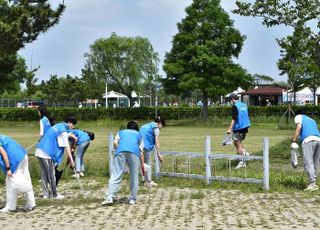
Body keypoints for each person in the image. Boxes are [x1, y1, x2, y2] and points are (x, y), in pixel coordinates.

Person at [101, 120, 144, 205]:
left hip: (120, 151)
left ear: (127, 127)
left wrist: (120, 150)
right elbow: (141, 149)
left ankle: (109, 196)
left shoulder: (121, 132)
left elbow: (115, 143)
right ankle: (133, 199)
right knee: (134, 175)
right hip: (134, 153)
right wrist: (141, 163)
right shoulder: (139, 134)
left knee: (116, 174)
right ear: (137, 128)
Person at [35, 115, 76, 199]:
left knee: (44, 175)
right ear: (69, 123)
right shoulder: (62, 130)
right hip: (47, 153)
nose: (73, 126)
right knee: (51, 174)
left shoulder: (58, 126)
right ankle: (54, 194)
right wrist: (71, 160)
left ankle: (45, 194)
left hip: (40, 151)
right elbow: (66, 146)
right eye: (73, 124)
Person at [0, 134, 36, 213]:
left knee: (10, 181)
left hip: (15, 160)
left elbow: (4, 154)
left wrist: (8, 169)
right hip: (23, 155)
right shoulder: (1, 136)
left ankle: (10, 207)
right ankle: (31, 203)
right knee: (26, 179)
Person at [291, 114, 320, 191]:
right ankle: (313, 183)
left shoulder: (298, 117)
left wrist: (294, 140)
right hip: (318, 140)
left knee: (308, 162)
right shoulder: (312, 120)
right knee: (315, 163)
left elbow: (299, 127)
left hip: (308, 140)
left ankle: (312, 183)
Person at [139, 117, 166, 186]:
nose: (160, 129)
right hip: (145, 146)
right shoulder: (156, 128)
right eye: (161, 127)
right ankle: (149, 181)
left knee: (143, 163)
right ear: (159, 123)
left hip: (138, 145)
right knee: (148, 164)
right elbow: (157, 142)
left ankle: (145, 181)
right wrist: (159, 154)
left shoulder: (146, 125)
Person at [226, 93, 251, 169]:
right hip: (245, 126)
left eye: (230, 100)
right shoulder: (243, 105)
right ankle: (244, 153)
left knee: (238, 144)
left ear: (233, 99)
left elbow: (234, 118)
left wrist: (230, 128)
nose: (230, 102)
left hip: (239, 127)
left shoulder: (235, 106)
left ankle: (242, 161)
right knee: (237, 142)